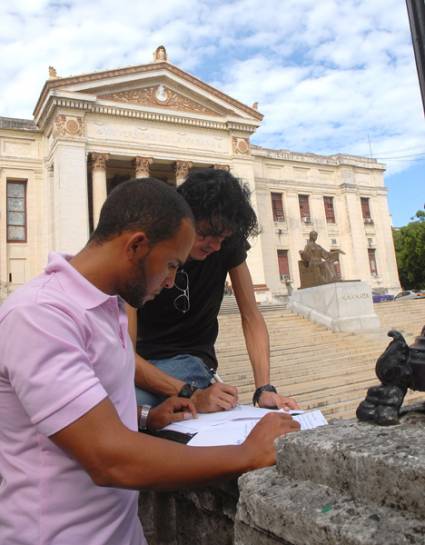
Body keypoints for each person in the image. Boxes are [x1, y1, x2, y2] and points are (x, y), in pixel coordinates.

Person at [0, 178, 299, 545]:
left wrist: (146, 417)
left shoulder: (108, 306)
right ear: (137, 246)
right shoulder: (39, 316)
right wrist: (246, 454)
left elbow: (103, 400)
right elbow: (109, 458)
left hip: (122, 532)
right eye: (172, 264)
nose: (173, 281)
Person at [132, 169, 299, 413]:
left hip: (188, 360)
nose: (215, 246)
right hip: (138, 360)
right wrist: (191, 394)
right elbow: (123, 353)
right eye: (205, 235)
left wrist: (264, 388)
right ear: (182, 221)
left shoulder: (225, 244)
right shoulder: (148, 244)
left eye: (223, 238)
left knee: (126, 400)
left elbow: (251, 316)